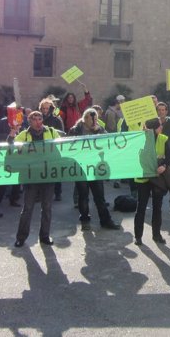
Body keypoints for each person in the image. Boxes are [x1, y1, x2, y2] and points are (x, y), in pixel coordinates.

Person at [13, 111, 61, 247]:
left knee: (47, 207)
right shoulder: (23, 135)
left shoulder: (51, 132)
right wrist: (12, 134)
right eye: (34, 119)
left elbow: (61, 146)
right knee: (28, 208)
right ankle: (21, 237)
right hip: (30, 176)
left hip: (48, 175)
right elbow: (12, 148)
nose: (38, 121)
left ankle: (45, 236)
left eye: (40, 119)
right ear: (30, 122)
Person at [69, 109, 121, 231]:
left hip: (96, 167)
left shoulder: (100, 129)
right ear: (84, 118)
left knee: (99, 196)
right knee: (83, 196)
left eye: (95, 118)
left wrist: (99, 132)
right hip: (81, 167)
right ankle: (85, 220)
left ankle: (105, 220)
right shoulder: (75, 130)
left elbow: (109, 142)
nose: (93, 121)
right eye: (90, 118)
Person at [133, 118, 170, 246]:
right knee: (141, 207)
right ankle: (138, 237)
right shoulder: (140, 139)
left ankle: (157, 235)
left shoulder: (163, 138)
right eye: (160, 125)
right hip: (143, 178)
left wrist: (164, 166)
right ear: (154, 127)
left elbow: (169, 156)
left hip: (157, 178)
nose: (162, 127)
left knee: (157, 207)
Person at [39, 97, 66, 201]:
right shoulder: (38, 118)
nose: (45, 110)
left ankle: (58, 193)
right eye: (43, 108)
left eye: (47, 108)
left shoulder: (56, 119)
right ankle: (41, 194)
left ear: (51, 108)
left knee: (55, 171)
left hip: (53, 149)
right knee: (42, 171)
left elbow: (61, 134)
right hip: (41, 150)